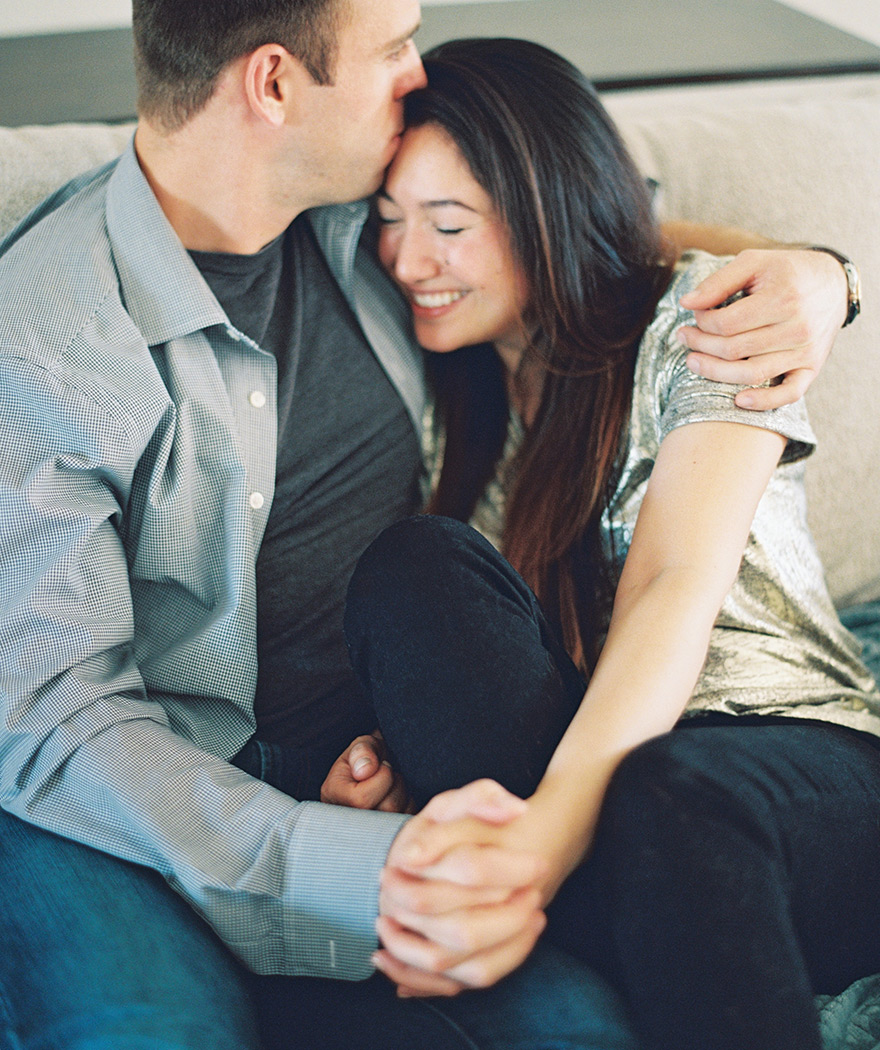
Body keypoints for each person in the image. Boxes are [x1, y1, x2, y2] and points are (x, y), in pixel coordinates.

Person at [0, 1, 857, 1045]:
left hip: (672, 764)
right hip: (221, 786)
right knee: (154, 1025)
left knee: (611, 935)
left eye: (441, 227)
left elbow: (588, 228)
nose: (413, 73)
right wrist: (360, 826)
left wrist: (821, 276)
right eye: (392, 46)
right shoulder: (53, 336)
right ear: (274, 83)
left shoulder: (363, 211)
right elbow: (53, 715)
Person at [327, 36, 880, 1050]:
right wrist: (390, 760)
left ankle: (539, 905)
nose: (408, 262)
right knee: (415, 566)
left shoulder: (697, 319)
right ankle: (582, 909)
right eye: (390, 223)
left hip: (802, 773)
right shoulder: (450, 410)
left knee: (672, 794)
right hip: (612, 804)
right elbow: (477, 660)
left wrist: (537, 845)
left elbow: (676, 579)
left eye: (449, 224)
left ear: (541, 211)